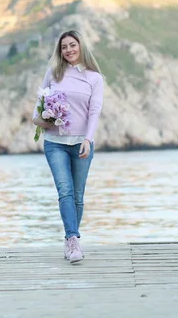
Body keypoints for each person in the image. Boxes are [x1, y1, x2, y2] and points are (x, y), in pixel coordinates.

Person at [32, 29, 104, 264]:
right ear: (59, 51)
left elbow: (94, 112)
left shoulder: (94, 78)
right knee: (65, 191)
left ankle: (70, 239)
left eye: (72, 45)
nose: (69, 50)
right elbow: (37, 111)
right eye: (64, 47)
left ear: (81, 46)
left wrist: (88, 139)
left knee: (78, 196)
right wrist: (49, 118)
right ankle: (73, 239)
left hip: (81, 143)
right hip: (55, 144)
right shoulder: (53, 73)